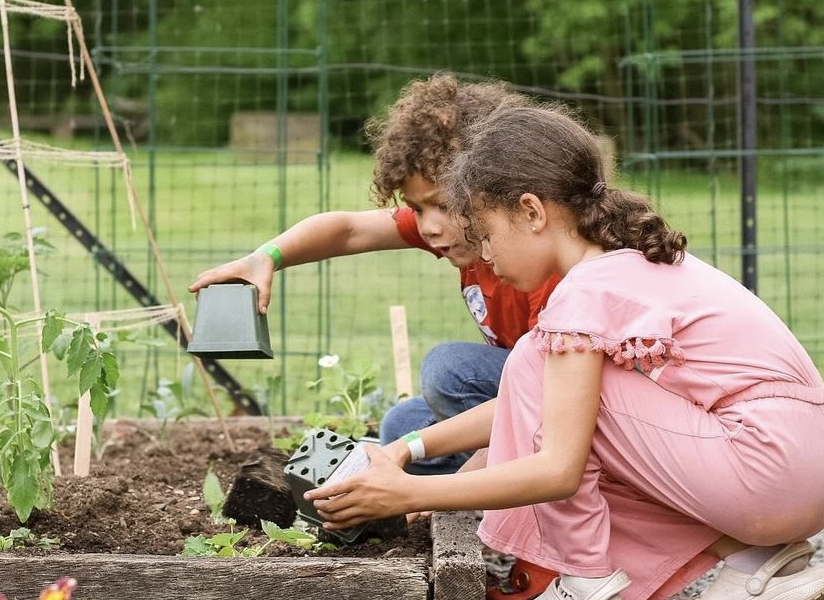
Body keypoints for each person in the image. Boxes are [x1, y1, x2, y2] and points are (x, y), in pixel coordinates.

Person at [305, 102, 824, 600]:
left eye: (486, 233)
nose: (484, 256)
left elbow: (557, 469)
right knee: (541, 374)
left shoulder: (582, 294)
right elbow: (537, 403)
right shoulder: (626, 260)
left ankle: (585, 595)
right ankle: (750, 555)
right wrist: (410, 448)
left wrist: (410, 493)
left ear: (532, 212)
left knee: (533, 364)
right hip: (802, 476)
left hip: (765, 472)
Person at [189, 73, 560, 482]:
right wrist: (266, 257)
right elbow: (348, 230)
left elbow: (551, 393)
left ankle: (492, 485)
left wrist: (454, 488)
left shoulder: (544, 267)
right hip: (520, 395)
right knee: (403, 423)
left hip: (560, 405)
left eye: (440, 204)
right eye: (417, 209)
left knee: (449, 370)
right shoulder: (463, 234)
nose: (429, 227)